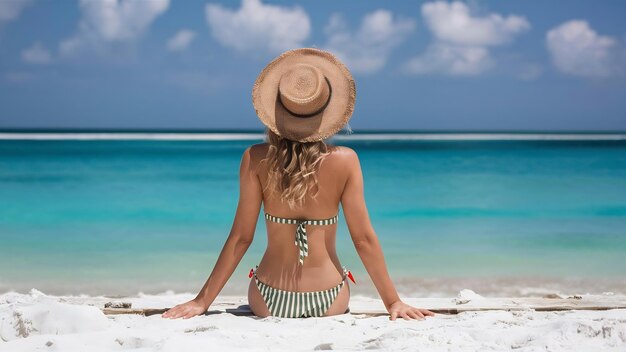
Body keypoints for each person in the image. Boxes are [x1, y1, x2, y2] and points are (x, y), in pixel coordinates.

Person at [162, 48, 435, 321]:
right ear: (328, 114)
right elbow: (362, 240)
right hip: (330, 298)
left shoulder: (255, 159)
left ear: (276, 111)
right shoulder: (346, 161)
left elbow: (241, 238)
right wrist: (393, 301)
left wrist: (202, 301)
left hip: (269, 298)